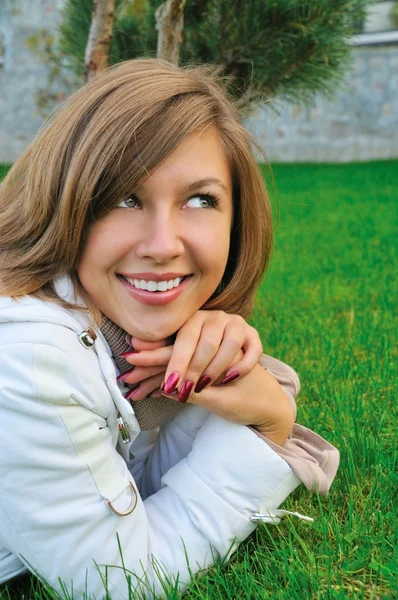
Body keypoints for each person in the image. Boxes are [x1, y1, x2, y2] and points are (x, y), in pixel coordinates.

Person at [0, 59, 339, 599]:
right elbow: (118, 581)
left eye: (200, 200)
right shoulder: (28, 359)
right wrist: (271, 428)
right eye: (123, 198)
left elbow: (141, 485)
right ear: (65, 203)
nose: (162, 245)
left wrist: (214, 367)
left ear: (237, 219)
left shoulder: (111, 324)